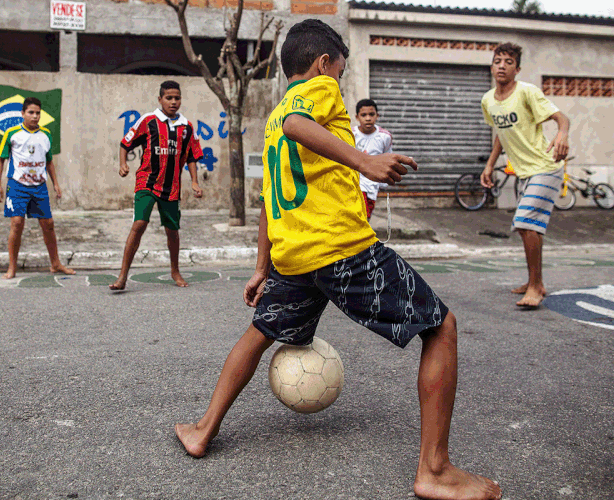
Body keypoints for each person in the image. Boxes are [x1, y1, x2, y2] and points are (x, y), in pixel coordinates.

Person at [175, 19, 502, 500]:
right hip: (340, 249)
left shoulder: (272, 118)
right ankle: (434, 470)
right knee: (441, 328)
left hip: (294, 256)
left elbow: (270, 195)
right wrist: (364, 160)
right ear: (323, 63)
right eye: (340, 71)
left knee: (261, 331)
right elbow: (298, 124)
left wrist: (262, 265)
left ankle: (203, 429)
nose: (340, 83)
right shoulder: (314, 93)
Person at [480, 42, 569, 309]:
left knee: (525, 223)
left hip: (546, 167)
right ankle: (536, 281)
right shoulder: (488, 100)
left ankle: (534, 287)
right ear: (492, 65)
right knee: (530, 229)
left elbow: (561, 118)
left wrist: (562, 133)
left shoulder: (527, 92)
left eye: (508, 62)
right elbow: (500, 135)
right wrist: (489, 165)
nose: (502, 66)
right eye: (498, 61)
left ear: (517, 69)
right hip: (524, 173)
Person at [109, 81, 203, 291]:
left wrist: (195, 181)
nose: (173, 102)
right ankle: (123, 276)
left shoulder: (186, 127)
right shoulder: (148, 121)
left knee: (172, 230)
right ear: (159, 99)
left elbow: (192, 156)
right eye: (169, 98)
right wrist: (123, 163)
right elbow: (125, 143)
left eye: (177, 98)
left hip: (171, 187)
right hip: (147, 182)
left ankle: (175, 271)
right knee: (139, 224)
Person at [0, 97, 75, 280]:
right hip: (17, 186)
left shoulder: (45, 134)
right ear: (22, 114)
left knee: (48, 224)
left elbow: (49, 161)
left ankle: (55, 264)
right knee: (17, 223)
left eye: (38, 113)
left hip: (39, 187)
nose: (35, 116)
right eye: (31, 112)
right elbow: (0, 159)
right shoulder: (12, 133)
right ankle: (12, 267)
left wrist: (56, 184)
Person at [353, 98, 392, 219]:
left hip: (372, 185)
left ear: (377, 115)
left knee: (366, 218)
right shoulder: (351, 134)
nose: (368, 118)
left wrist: (385, 179)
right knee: (358, 217)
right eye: (363, 115)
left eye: (371, 114)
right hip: (355, 184)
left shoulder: (384, 136)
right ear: (357, 117)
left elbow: (387, 157)